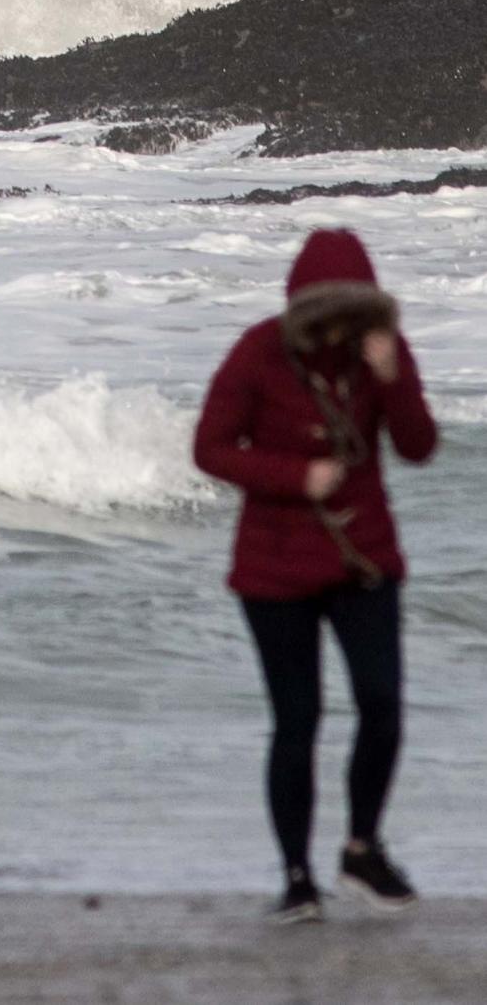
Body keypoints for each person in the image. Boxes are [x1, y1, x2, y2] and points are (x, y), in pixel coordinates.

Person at [194, 227, 437, 922]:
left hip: (362, 559)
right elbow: (210, 446)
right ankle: (297, 876)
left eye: (354, 304)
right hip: (274, 566)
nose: (341, 320)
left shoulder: (380, 350)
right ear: (300, 303)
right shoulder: (260, 350)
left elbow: (417, 447)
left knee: (382, 704)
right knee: (296, 721)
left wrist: (392, 379)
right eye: (327, 305)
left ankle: (361, 847)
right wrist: (296, 475)